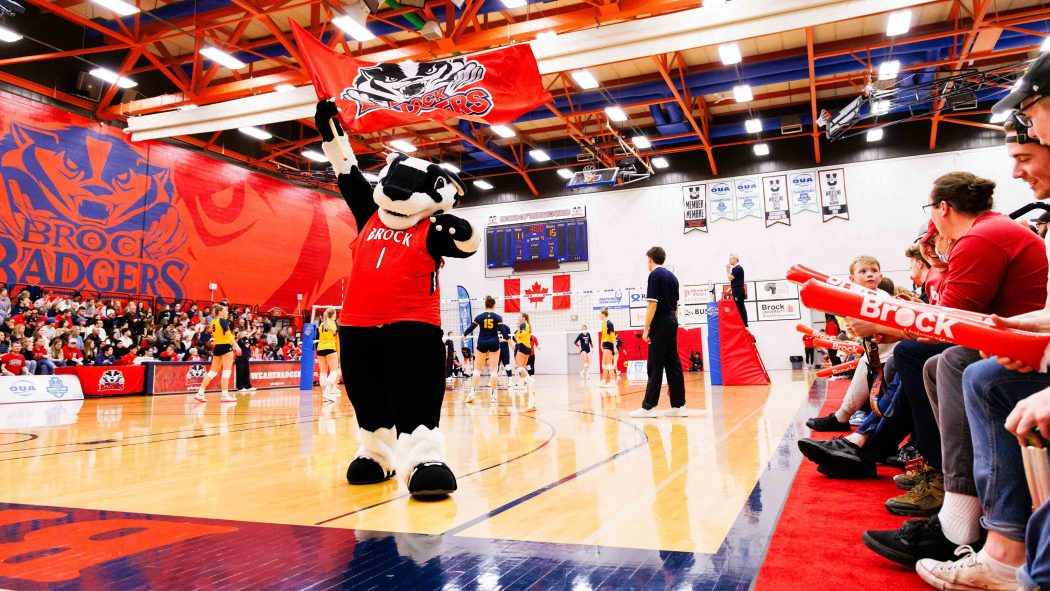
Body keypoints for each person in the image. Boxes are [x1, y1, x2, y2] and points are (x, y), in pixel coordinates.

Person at [630, 246, 686, 418]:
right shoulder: (673, 277)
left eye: (647, 260)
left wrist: (646, 329)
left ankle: (649, 407)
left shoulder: (654, 275)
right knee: (673, 363)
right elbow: (676, 305)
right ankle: (679, 406)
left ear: (651, 259)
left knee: (655, 364)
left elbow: (652, 304)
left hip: (660, 322)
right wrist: (674, 323)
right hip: (672, 321)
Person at [462, 296, 503, 404]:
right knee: (494, 371)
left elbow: (471, 327)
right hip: (494, 342)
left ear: (485, 305)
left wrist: (465, 334)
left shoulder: (480, 317)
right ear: (494, 305)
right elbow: (503, 332)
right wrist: (509, 341)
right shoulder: (498, 317)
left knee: (477, 370)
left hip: (482, 342)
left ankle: (472, 393)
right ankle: (493, 396)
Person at [194, 304, 236, 403]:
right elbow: (228, 334)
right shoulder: (223, 321)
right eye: (225, 311)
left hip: (217, 347)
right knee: (226, 372)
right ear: (220, 312)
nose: (227, 313)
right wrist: (235, 345)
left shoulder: (213, 321)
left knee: (212, 372)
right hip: (226, 346)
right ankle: (225, 395)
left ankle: (200, 393)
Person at [316, 309, 341, 402]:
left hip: (320, 348)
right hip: (330, 348)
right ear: (333, 315)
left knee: (323, 372)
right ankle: (327, 392)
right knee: (334, 371)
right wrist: (338, 353)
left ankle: (324, 394)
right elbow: (338, 340)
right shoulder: (334, 324)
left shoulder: (321, 324)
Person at [511, 313, 534, 393]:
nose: (518, 318)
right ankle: (521, 385)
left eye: (519, 317)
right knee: (522, 368)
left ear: (524, 318)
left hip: (522, 347)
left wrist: (518, 335)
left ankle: (530, 379)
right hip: (528, 348)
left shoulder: (523, 324)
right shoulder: (527, 325)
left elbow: (522, 334)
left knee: (519, 367)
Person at [726, 253, 748, 327]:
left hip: (738, 290)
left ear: (735, 259)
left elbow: (729, 278)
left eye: (731, 259)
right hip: (737, 290)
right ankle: (742, 323)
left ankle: (744, 324)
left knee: (740, 307)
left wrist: (727, 270)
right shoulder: (736, 268)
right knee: (739, 307)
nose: (729, 260)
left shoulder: (737, 268)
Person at [598, 308, 617, 390]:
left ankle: (612, 382)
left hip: (609, 344)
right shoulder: (603, 324)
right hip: (604, 344)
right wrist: (601, 344)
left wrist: (615, 347)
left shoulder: (609, 324)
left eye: (599, 314)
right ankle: (603, 381)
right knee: (604, 364)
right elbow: (603, 336)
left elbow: (613, 336)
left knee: (609, 364)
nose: (599, 316)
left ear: (603, 315)